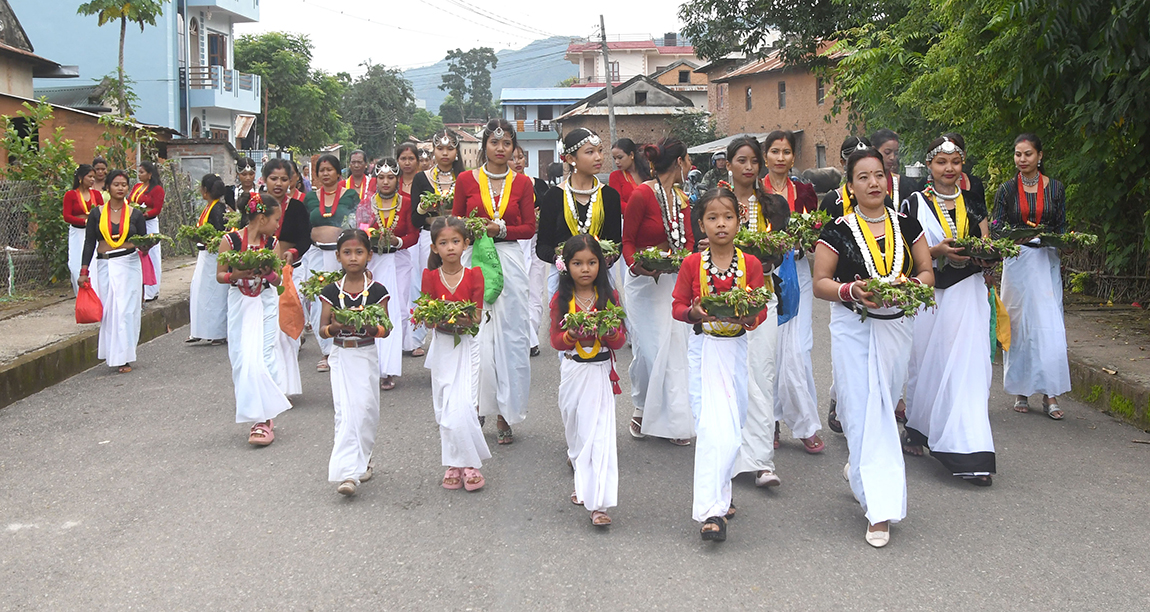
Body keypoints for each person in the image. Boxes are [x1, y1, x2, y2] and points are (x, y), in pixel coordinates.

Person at [812, 148, 934, 548]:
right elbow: (821, 283)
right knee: (867, 413)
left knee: (882, 405)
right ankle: (880, 509)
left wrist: (910, 287)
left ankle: (860, 470)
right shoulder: (838, 230)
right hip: (854, 328)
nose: (873, 183)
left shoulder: (907, 225)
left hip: (897, 326)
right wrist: (851, 290)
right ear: (850, 186)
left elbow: (927, 272)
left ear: (888, 180)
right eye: (863, 177)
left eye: (878, 175)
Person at [672, 187, 769, 542]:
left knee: (732, 428)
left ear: (739, 222)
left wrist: (749, 318)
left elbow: (760, 308)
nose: (721, 224)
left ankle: (721, 491)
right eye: (712, 218)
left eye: (728, 217)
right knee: (713, 430)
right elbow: (677, 306)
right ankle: (712, 513)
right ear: (701, 225)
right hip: (705, 350)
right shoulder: (692, 264)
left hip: (735, 350)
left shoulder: (751, 264)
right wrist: (694, 312)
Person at [901, 135, 996, 485]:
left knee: (967, 367)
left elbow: (985, 242)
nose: (949, 168)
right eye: (942, 162)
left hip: (968, 291)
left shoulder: (972, 202)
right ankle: (918, 427)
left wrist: (986, 257)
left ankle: (969, 450)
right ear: (929, 165)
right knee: (927, 362)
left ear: (963, 163)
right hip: (930, 294)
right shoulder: (914, 203)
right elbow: (904, 253)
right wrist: (937, 251)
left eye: (955, 162)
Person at [452, 118, 536, 444]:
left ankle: (505, 412)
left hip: (510, 260)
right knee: (477, 336)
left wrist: (499, 229)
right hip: (475, 259)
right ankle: (476, 404)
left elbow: (528, 228)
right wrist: (472, 229)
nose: (501, 149)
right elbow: (456, 220)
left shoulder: (522, 183)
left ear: (514, 147)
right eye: (494, 142)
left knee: (511, 337)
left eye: (507, 143)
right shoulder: (465, 180)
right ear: (484, 145)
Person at [621, 137, 696, 445]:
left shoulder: (682, 199)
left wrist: (687, 259)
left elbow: (689, 240)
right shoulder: (642, 194)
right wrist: (638, 266)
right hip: (643, 283)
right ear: (679, 162)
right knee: (648, 350)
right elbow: (627, 242)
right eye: (688, 160)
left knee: (675, 350)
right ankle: (642, 406)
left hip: (673, 282)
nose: (690, 166)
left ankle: (674, 419)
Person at [722, 136, 787, 488]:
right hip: (722, 301)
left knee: (762, 374)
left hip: (762, 297)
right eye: (741, 160)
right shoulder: (716, 203)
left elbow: (777, 253)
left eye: (753, 161)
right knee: (730, 378)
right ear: (728, 164)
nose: (748, 167)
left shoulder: (774, 205)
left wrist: (757, 259)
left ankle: (762, 461)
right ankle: (729, 454)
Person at [551, 234, 626, 527]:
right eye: (578, 263)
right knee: (578, 436)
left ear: (601, 264)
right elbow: (556, 341)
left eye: (592, 262)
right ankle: (583, 483)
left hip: (600, 372)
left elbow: (620, 340)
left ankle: (598, 504)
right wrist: (570, 335)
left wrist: (609, 332)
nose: (585, 269)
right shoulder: (561, 299)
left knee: (599, 438)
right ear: (566, 266)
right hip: (573, 371)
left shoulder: (609, 297)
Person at [993, 133, 1070, 419]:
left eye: (1028, 154)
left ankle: (1051, 393)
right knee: (1019, 324)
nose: (1022, 159)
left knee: (1048, 324)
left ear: (1040, 156)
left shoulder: (1056, 188)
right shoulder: (1006, 190)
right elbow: (996, 226)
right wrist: (1016, 237)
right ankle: (1021, 390)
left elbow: (1061, 226)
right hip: (1018, 261)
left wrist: (1063, 241)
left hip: (1045, 259)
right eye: (1018, 154)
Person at [760, 130, 824, 455]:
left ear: (793, 157)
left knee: (798, 350)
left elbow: (816, 236)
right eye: (775, 151)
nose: (780, 158)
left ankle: (805, 423)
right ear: (765, 156)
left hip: (797, 273)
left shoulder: (805, 192)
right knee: (768, 350)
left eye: (786, 152)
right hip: (764, 274)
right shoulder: (755, 192)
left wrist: (806, 238)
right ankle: (769, 421)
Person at [318, 229, 390, 495]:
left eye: (359, 252)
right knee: (346, 412)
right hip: (341, 355)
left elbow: (386, 328)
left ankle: (364, 458)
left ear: (369, 255)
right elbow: (322, 329)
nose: (353, 258)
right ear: (338, 256)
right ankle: (348, 474)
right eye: (347, 252)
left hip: (365, 353)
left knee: (366, 409)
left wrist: (372, 329)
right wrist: (335, 328)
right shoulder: (331, 291)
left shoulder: (377, 291)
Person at [422, 216, 489, 492]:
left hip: (467, 345)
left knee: (465, 404)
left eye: (455, 241)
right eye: (443, 243)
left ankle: (469, 464)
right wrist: (439, 317)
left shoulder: (474, 275)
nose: (450, 247)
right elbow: (426, 319)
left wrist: (456, 317)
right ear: (434, 247)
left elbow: (476, 317)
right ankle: (453, 463)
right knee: (445, 405)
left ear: (466, 244)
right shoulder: (430, 277)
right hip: (442, 346)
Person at [218, 192, 291, 446]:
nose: (277, 225)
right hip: (239, 302)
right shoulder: (230, 240)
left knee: (264, 355)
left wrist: (268, 273)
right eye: (275, 220)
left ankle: (265, 419)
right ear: (261, 218)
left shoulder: (272, 244)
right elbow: (220, 275)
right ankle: (254, 412)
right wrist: (238, 274)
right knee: (241, 358)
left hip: (265, 302)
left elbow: (278, 281)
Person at [536, 128, 623, 297]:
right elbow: (543, 246)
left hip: (601, 279)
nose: (598, 157)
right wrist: (562, 261)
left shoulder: (610, 196)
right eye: (590, 152)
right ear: (571, 159)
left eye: (600, 151)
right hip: (562, 282)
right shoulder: (553, 196)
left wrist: (602, 259)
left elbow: (616, 243)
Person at [357, 159, 419, 391]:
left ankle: (389, 368)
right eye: (381, 177)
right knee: (371, 311)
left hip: (399, 260)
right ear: (376, 179)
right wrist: (369, 240)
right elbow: (359, 231)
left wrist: (397, 241)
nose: (385, 182)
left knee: (398, 311)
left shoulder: (407, 202)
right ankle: (373, 365)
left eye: (390, 177)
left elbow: (414, 234)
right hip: (374, 262)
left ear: (397, 179)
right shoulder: (366, 203)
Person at [77, 170, 147, 374]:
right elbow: (89, 243)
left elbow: (143, 242)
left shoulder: (135, 214)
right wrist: (84, 271)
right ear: (107, 187)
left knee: (126, 311)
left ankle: (124, 357)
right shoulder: (96, 214)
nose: (120, 188)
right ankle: (113, 353)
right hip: (105, 265)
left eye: (124, 185)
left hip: (129, 264)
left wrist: (148, 245)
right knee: (110, 312)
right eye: (116, 184)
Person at [302, 154, 362, 372]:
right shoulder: (310, 198)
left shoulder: (350, 195)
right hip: (317, 253)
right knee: (319, 300)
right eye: (322, 170)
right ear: (317, 174)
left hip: (341, 255)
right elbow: (305, 226)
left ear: (338, 173)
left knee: (342, 297)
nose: (325, 173)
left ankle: (346, 345)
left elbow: (358, 222)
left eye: (330, 169)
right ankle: (326, 352)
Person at [410, 131, 466, 358]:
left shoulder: (464, 178)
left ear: (456, 152)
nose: (445, 153)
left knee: (459, 286)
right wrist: (425, 209)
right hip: (429, 240)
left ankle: (462, 336)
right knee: (432, 286)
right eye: (440, 148)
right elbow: (415, 219)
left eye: (450, 149)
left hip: (459, 241)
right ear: (433, 151)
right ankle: (436, 341)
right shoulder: (421, 179)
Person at [264, 159, 313, 397]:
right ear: (264, 179)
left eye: (284, 179)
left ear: (292, 180)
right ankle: (268, 383)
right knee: (269, 331)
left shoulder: (297, 208)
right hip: (263, 276)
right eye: (274, 178)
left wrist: (293, 252)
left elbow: (305, 238)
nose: (279, 183)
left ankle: (286, 385)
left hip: (292, 272)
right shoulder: (256, 207)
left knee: (288, 328)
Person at [511, 145, 552, 357]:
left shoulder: (540, 185)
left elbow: (549, 212)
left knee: (535, 289)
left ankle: (531, 337)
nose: (518, 161)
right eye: (513, 158)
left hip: (536, 240)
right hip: (513, 241)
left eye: (521, 157)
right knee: (517, 291)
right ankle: (519, 339)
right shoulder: (503, 187)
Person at [186, 174, 229, 345]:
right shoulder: (210, 207)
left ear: (205, 190)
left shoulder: (218, 208)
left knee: (215, 294)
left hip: (214, 254)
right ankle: (200, 329)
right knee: (200, 292)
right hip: (205, 255)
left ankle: (217, 332)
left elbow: (219, 232)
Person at [63, 164, 104, 294]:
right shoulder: (70, 195)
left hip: (93, 233)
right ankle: (81, 295)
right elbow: (67, 216)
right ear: (81, 178)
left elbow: (103, 212)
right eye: (90, 176)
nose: (93, 179)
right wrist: (84, 221)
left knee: (94, 264)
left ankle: (96, 295)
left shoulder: (96, 194)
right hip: (77, 232)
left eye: (93, 177)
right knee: (75, 264)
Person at [130, 161, 165, 302]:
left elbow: (157, 209)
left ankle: (152, 290)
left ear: (150, 174)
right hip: (135, 223)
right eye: (138, 172)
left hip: (149, 223)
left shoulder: (157, 189)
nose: (139, 175)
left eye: (142, 172)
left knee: (151, 254)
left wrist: (143, 214)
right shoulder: (137, 187)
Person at [819, 135, 875, 219]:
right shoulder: (832, 201)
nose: (862, 166)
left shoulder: (881, 197)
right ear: (843, 163)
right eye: (856, 162)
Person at [608, 138, 651, 210]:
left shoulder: (647, 173)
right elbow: (617, 203)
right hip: (630, 215)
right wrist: (638, 211)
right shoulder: (615, 176)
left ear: (631, 155)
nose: (617, 162)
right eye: (614, 158)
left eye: (620, 157)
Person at [871, 129, 909, 201]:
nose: (892, 157)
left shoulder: (904, 184)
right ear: (874, 151)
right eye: (887, 152)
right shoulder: (863, 182)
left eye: (895, 153)